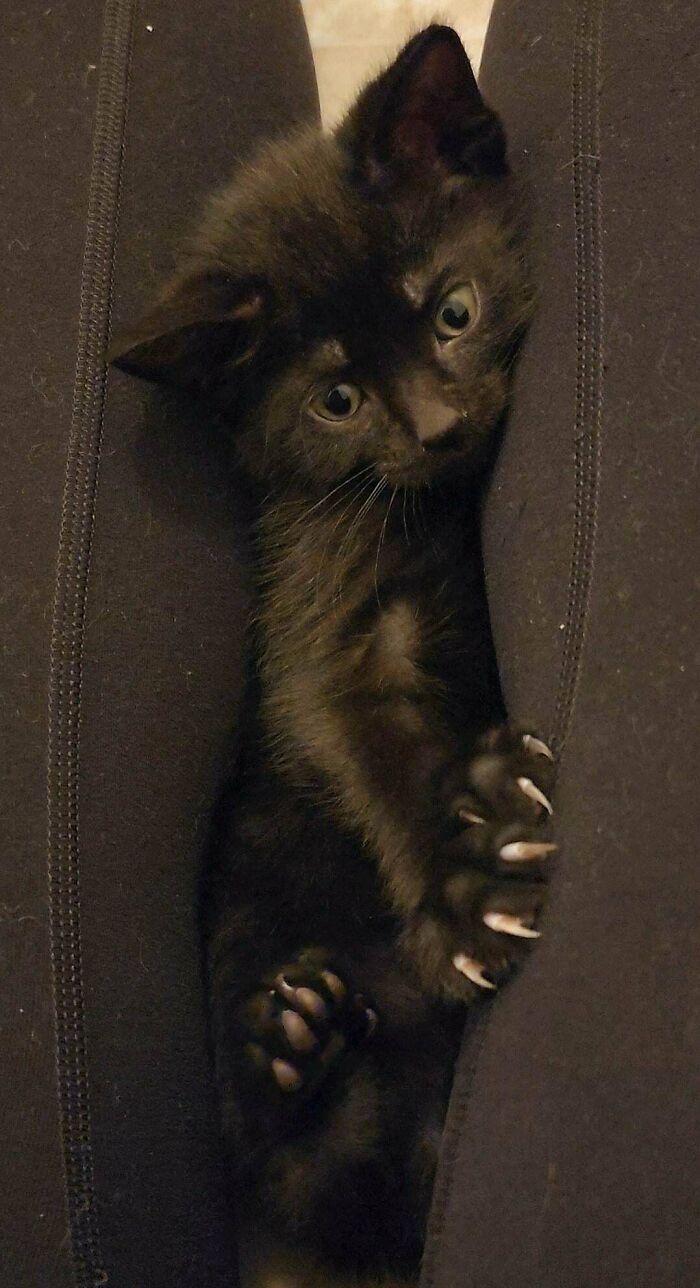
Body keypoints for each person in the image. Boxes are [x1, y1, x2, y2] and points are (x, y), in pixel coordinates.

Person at [2, 1, 697, 1285]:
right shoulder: (323, 526)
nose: (430, 420)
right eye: (339, 397)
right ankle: (307, 1093)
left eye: (446, 318)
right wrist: (440, 862)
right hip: (352, 926)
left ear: (450, 146)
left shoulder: (438, 195)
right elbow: (344, 686)